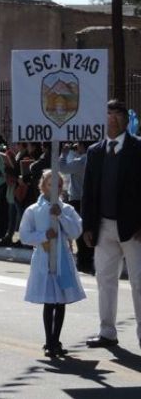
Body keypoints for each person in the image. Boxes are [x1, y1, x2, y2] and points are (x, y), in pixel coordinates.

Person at [82, 100, 141, 349]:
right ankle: (107, 332)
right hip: (103, 225)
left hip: (134, 229)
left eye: (117, 115)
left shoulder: (138, 148)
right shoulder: (95, 151)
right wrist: (88, 226)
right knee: (105, 280)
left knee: (139, 283)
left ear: (126, 120)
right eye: (108, 114)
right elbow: (88, 190)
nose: (112, 119)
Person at [20, 170, 86, 357]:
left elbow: (76, 231)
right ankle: (49, 341)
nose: (54, 188)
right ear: (43, 186)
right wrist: (43, 235)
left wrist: (61, 216)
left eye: (57, 185)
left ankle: (56, 339)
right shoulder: (33, 210)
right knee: (49, 302)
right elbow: (25, 235)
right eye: (50, 184)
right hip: (44, 259)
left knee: (60, 302)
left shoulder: (67, 209)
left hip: (63, 258)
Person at [60, 142, 90, 273]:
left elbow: (62, 168)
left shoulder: (82, 160)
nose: (76, 148)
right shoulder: (95, 158)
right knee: (88, 230)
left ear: (83, 146)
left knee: (79, 231)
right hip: (90, 198)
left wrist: (64, 154)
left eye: (78, 145)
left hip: (78, 198)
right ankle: (88, 259)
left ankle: (83, 261)